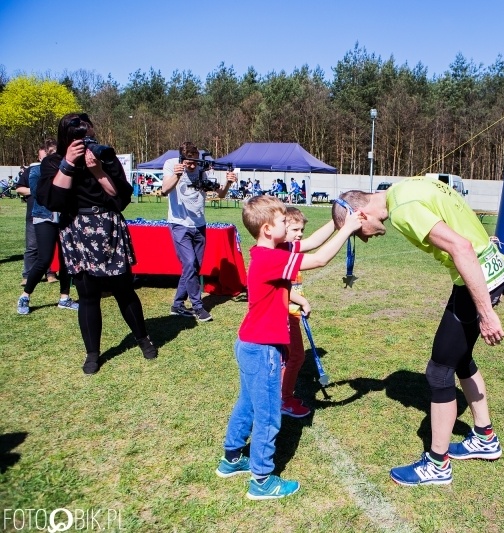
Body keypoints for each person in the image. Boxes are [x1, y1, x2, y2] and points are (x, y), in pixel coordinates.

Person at [332, 177, 504, 486]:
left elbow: (461, 246)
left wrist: (486, 311)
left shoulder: (402, 209)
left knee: (439, 372)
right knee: (460, 359)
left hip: (475, 278)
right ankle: (484, 437)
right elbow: (460, 217)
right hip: (483, 272)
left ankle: (438, 465)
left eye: (358, 232)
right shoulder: (410, 186)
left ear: (361, 214)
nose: (366, 238)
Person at [215, 195, 363, 500]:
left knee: (247, 404)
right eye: (284, 221)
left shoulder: (272, 250)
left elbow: (309, 244)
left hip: (249, 344)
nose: (290, 224)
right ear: (268, 228)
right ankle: (261, 480)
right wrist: (347, 231)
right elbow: (320, 258)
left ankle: (231, 459)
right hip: (263, 349)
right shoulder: (272, 259)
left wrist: (338, 221)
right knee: (268, 415)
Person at [37, 112, 156, 375]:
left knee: (123, 290)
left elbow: (121, 197)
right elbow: (54, 201)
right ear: (65, 135)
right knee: (88, 296)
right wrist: (68, 163)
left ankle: (143, 338)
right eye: (76, 131)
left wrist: (98, 170)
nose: (83, 135)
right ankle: (92, 353)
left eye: (86, 130)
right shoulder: (53, 162)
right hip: (76, 231)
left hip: (107, 227)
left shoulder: (104, 155)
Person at [162, 141, 234, 322]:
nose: (192, 166)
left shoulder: (202, 168)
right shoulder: (171, 165)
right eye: (188, 162)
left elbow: (221, 194)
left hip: (200, 225)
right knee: (190, 262)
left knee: (193, 267)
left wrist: (228, 183)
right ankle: (198, 307)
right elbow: (164, 190)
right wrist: (178, 174)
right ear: (181, 158)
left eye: (195, 161)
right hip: (179, 223)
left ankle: (177, 305)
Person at [281, 207, 337, 418]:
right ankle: (284, 399)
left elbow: (313, 241)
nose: (300, 233)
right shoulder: (279, 252)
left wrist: (337, 221)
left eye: (302, 229)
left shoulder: (287, 247)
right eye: (295, 229)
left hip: (291, 312)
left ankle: (281, 394)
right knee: (295, 356)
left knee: (288, 356)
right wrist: (302, 301)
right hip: (286, 314)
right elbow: (282, 289)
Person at [17, 139, 79, 315]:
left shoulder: (68, 170)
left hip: (65, 218)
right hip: (44, 217)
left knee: (66, 259)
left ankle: (64, 298)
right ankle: (25, 296)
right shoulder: (36, 170)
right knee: (44, 259)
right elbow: (38, 192)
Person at [16, 153, 57, 287]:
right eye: (43, 156)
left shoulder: (56, 169)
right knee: (32, 246)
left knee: (52, 246)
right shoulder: (31, 171)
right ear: (39, 158)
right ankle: (27, 275)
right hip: (34, 213)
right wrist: (36, 190)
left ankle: (51, 273)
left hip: (53, 213)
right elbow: (19, 189)